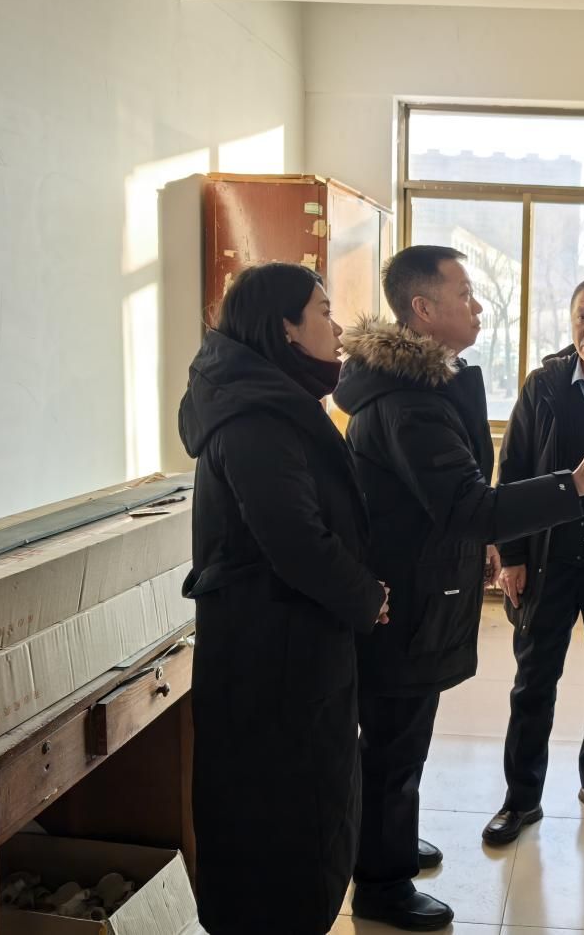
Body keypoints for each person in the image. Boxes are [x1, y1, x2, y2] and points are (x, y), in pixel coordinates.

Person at [333, 245, 584, 931]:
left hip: (423, 590)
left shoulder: (424, 389)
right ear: (423, 308)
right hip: (405, 599)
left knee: (404, 741)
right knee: (395, 745)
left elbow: (454, 496)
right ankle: (381, 883)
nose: (478, 305)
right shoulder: (414, 402)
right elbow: (473, 501)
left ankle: (389, 845)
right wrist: (573, 485)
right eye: (464, 294)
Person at [178, 263, 389, 935]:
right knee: (282, 832)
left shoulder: (267, 399)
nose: (339, 328)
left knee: (302, 822)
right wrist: (366, 596)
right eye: (324, 311)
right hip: (273, 664)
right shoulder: (256, 417)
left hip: (287, 650)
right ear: (286, 329)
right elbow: (295, 540)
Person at [485, 277, 584, 845]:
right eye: (583, 316)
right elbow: (514, 471)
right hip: (549, 560)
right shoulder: (543, 386)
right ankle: (521, 800)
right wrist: (513, 555)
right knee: (534, 682)